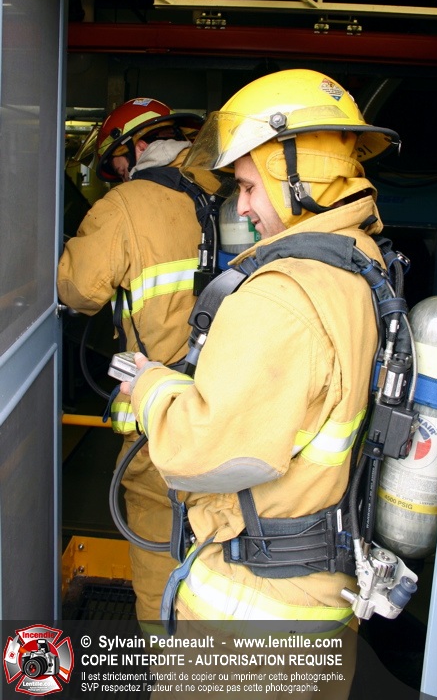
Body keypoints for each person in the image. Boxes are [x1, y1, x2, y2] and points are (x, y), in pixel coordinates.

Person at [119, 70, 401, 698]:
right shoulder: (362, 264)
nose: (242, 207)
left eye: (249, 186)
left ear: (296, 174)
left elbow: (200, 453)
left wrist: (152, 387)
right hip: (318, 597)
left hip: (247, 620)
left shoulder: (282, 297)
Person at [57, 97, 217, 631]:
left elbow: (78, 290)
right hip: (233, 414)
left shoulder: (126, 204)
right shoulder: (231, 190)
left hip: (161, 422)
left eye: (118, 163)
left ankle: (169, 661)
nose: (120, 175)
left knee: (158, 560)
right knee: (225, 553)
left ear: (138, 145)